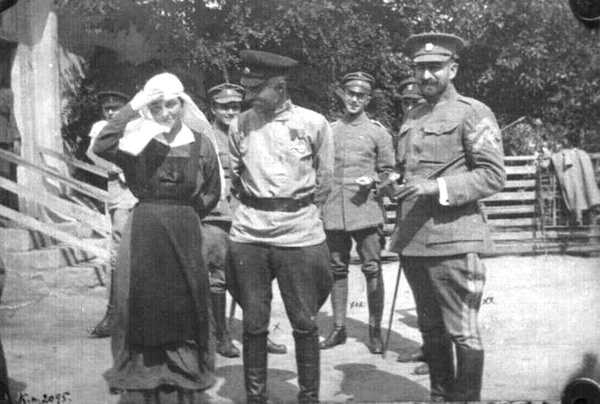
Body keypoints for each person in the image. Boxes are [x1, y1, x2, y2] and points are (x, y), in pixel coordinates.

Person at [389, 33, 506, 401]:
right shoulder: (413, 115)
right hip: (414, 240)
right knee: (430, 328)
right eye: (420, 68)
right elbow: (409, 169)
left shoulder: (473, 111)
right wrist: (393, 182)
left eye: (435, 67)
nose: (426, 75)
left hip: (454, 239)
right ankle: (440, 396)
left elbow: (493, 175)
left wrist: (435, 187)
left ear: (452, 69)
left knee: (462, 332)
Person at [93, 72, 221, 401]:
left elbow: (212, 191)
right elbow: (102, 144)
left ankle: (184, 373)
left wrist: (185, 216)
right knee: (145, 301)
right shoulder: (136, 141)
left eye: (172, 104)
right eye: (157, 106)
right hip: (145, 230)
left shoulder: (201, 142)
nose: (166, 113)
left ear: (183, 103)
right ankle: (147, 374)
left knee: (186, 301)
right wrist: (134, 105)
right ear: (148, 108)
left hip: (185, 230)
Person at [226, 50, 334, 404]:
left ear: (281, 85)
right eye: (247, 89)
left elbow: (325, 180)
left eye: (257, 90)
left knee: (305, 322)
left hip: (299, 232)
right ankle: (255, 397)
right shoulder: (240, 124)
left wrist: (294, 210)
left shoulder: (314, 124)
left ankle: (308, 397)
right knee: (254, 323)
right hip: (250, 233)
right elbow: (235, 178)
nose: (249, 97)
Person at [202, 83, 287, 358]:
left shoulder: (251, 133)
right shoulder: (205, 137)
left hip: (249, 214)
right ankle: (222, 336)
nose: (230, 112)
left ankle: (259, 333)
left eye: (235, 107)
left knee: (255, 277)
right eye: (224, 107)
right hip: (217, 216)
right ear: (213, 109)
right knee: (218, 276)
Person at [319, 71, 394, 355]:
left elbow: (389, 173)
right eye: (350, 94)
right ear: (343, 95)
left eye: (360, 96)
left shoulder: (378, 133)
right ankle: (339, 328)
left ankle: (374, 331)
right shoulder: (329, 131)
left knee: (372, 268)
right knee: (337, 269)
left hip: (365, 211)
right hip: (334, 210)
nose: (354, 100)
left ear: (368, 99)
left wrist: (373, 180)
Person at [87, 90, 138, 338]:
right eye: (106, 109)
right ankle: (113, 314)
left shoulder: (136, 126)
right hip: (119, 190)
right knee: (119, 249)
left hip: (140, 188)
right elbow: (91, 154)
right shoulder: (101, 128)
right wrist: (114, 168)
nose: (110, 112)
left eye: (115, 108)